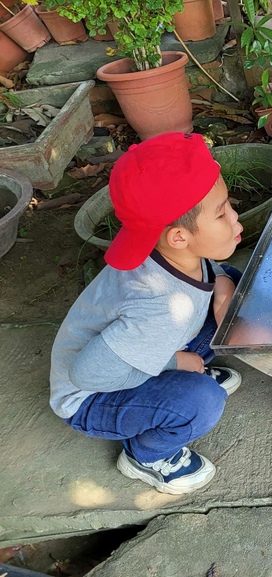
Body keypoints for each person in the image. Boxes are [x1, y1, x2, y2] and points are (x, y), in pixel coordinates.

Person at [49, 132, 246, 495]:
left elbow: (207, 284)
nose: (236, 219)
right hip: (91, 397)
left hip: (133, 351)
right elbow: (87, 373)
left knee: (231, 284)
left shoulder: (173, 253)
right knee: (202, 402)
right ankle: (146, 456)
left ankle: (183, 377)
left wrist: (221, 285)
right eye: (222, 214)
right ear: (178, 237)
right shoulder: (155, 310)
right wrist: (173, 363)